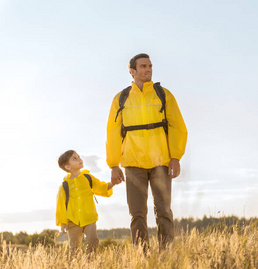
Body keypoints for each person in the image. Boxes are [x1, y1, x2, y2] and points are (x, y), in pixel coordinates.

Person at [106, 53, 188, 251]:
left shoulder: (163, 94)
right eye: (143, 66)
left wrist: (176, 157)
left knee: (164, 211)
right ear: (132, 71)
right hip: (133, 164)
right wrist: (113, 164)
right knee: (137, 214)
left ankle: (167, 254)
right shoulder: (121, 99)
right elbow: (113, 133)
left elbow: (178, 126)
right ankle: (142, 257)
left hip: (161, 162)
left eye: (150, 66)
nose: (148, 69)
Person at [56, 150, 116, 256]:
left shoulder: (88, 178)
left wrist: (113, 183)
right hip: (73, 221)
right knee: (74, 247)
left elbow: (101, 187)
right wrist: (63, 222)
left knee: (93, 241)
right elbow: (60, 205)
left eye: (79, 157)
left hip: (89, 218)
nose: (79, 159)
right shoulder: (64, 186)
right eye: (74, 158)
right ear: (68, 167)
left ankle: (90, 264)